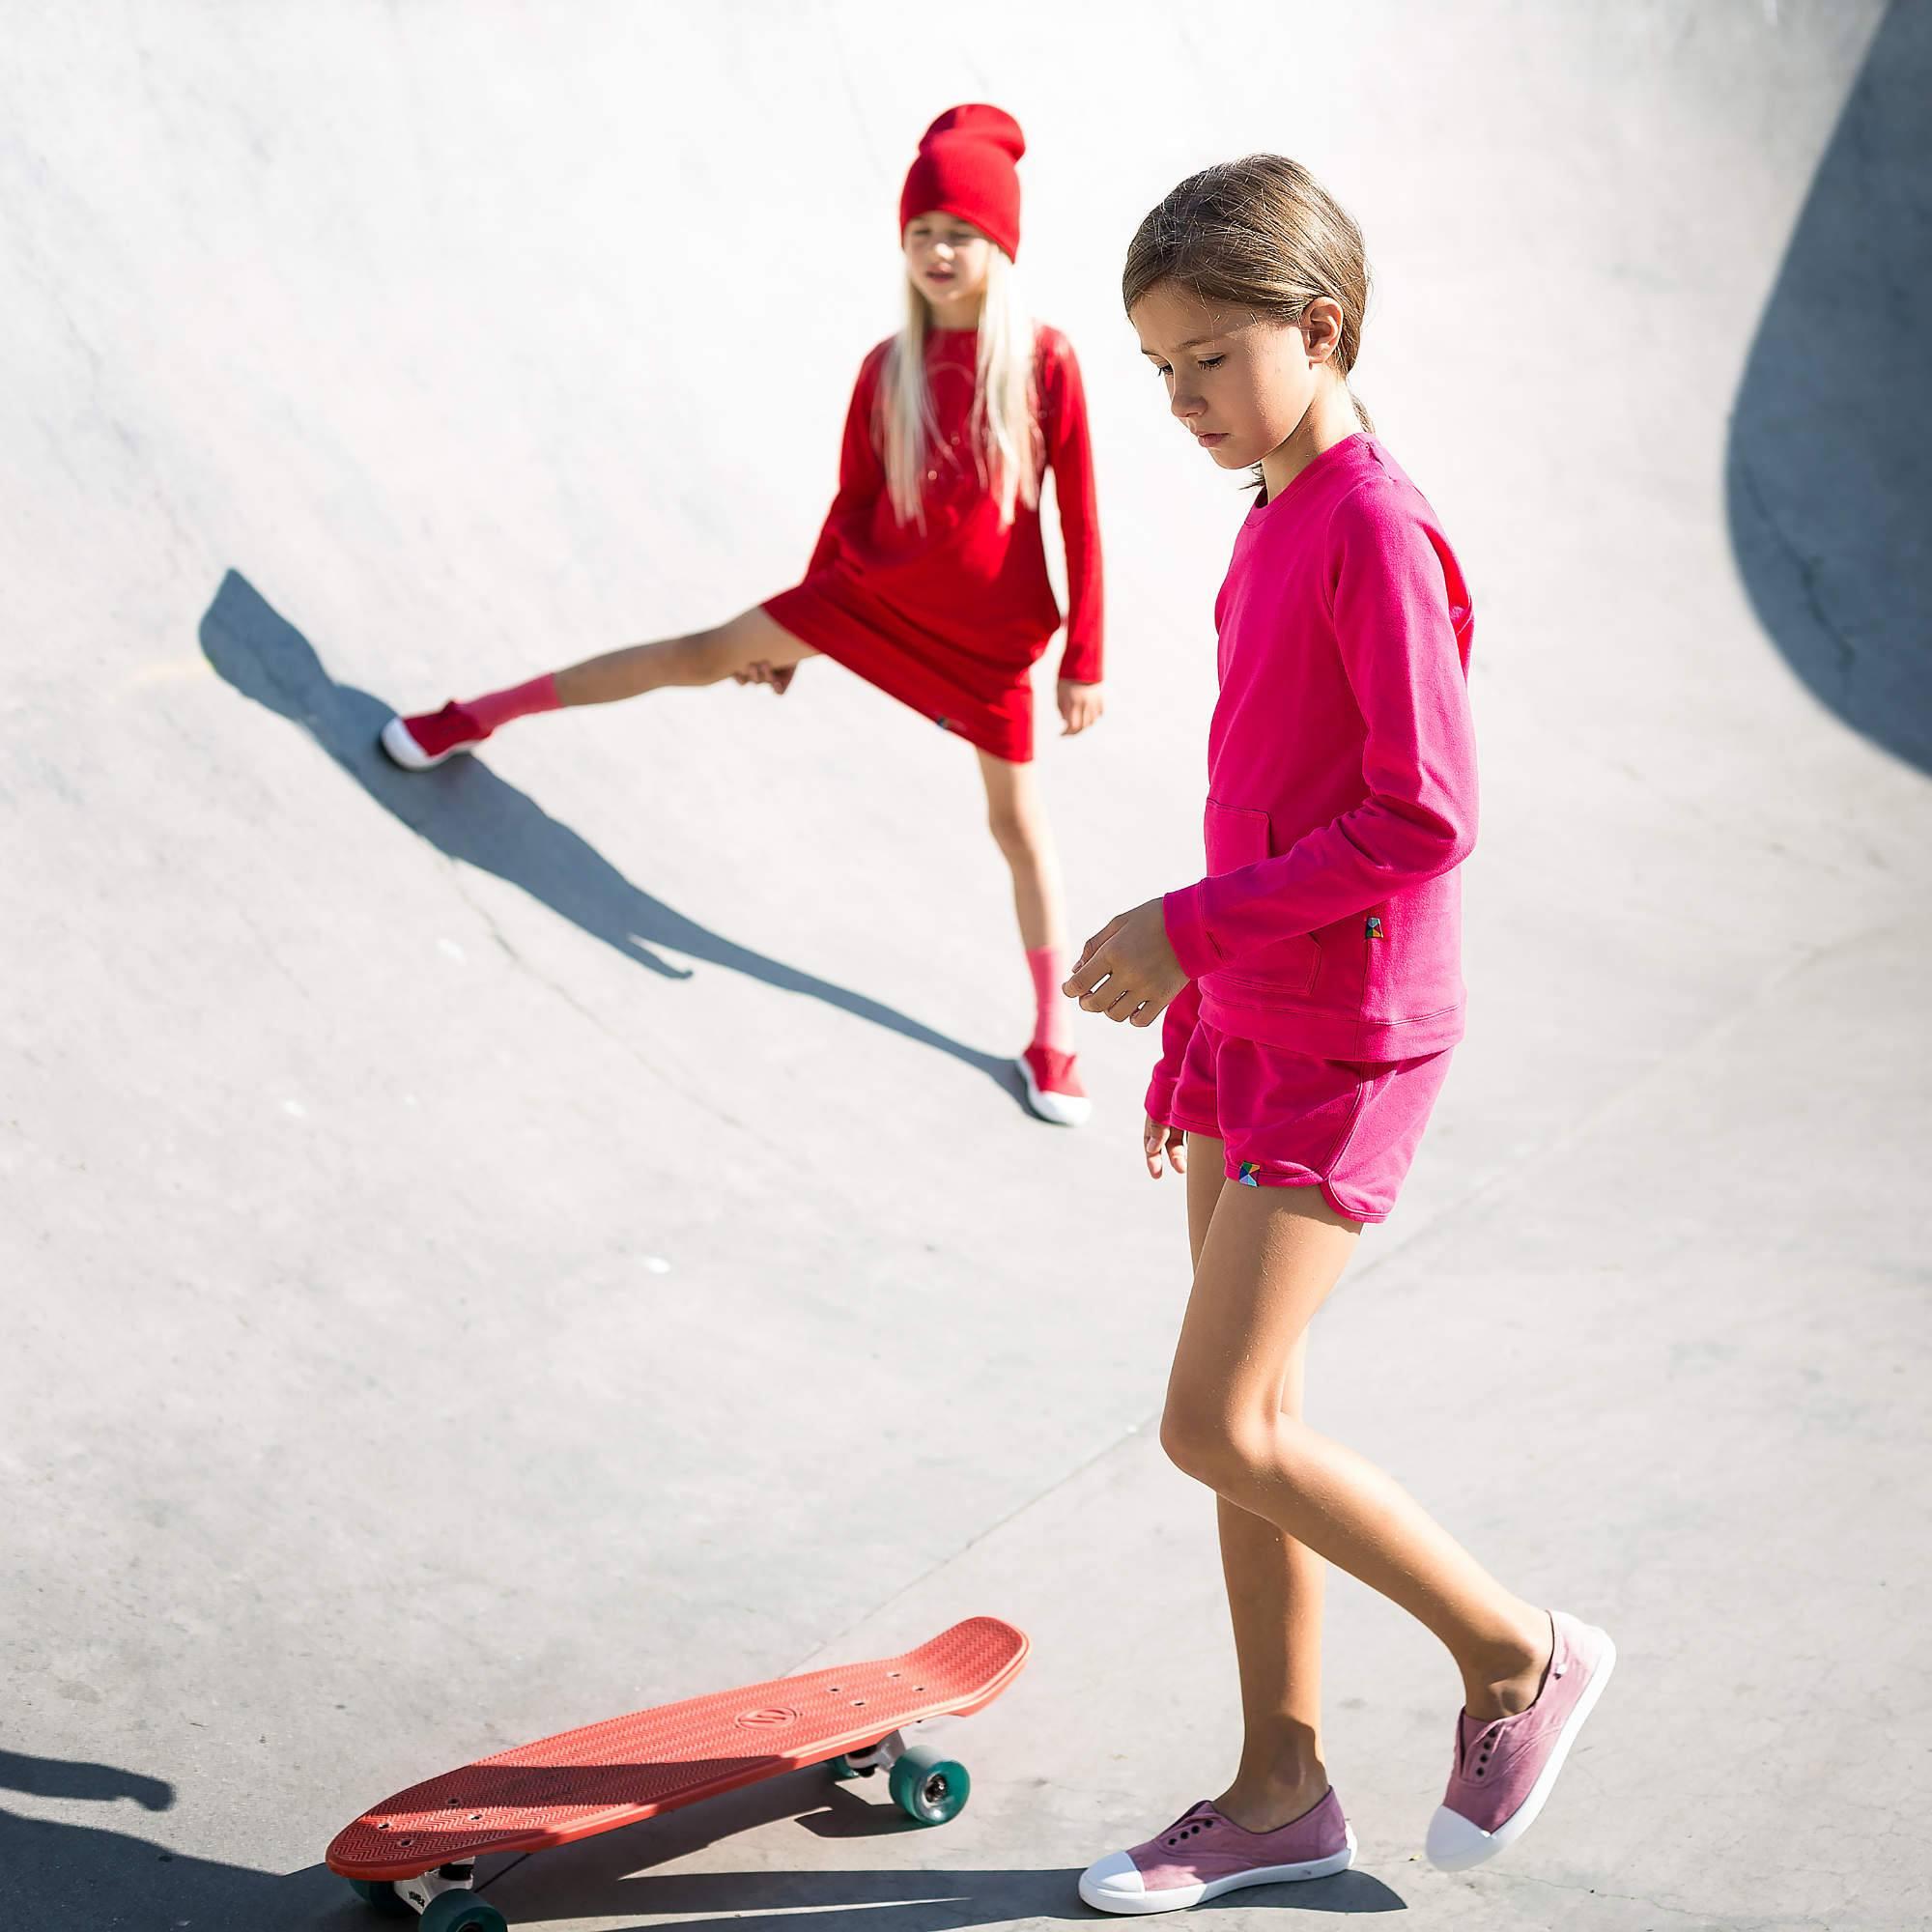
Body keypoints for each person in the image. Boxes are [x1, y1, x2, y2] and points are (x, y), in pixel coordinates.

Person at [1063, 156, 1614, 1910]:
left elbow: (1421, 816)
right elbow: (1266, 795)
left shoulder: (1375, 520)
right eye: (1159, 370)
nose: (1183, 402)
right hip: (1250, 1024)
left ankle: (1520, 1652)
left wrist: (1180, 935)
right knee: (1259, 1421)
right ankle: (1281, 1789)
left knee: (1218, 1425)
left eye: (1211, 358)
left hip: (1356, 1035)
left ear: (1323, 325)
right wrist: (1191, 1026)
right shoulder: (1273, 518)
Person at [379, 105, 1105, 1125]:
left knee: (1017, 826)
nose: (937, 251)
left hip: (988, 646)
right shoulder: (882, 367)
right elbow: (850, 505)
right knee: (696, 652)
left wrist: (1086, 656)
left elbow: (1078, 513)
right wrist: (801, 632)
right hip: (862, 601)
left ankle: (1052, 1034)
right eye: (919, 234)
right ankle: (474, 713)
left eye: (958, 233)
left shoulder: (1044, 363)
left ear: (999, 245)